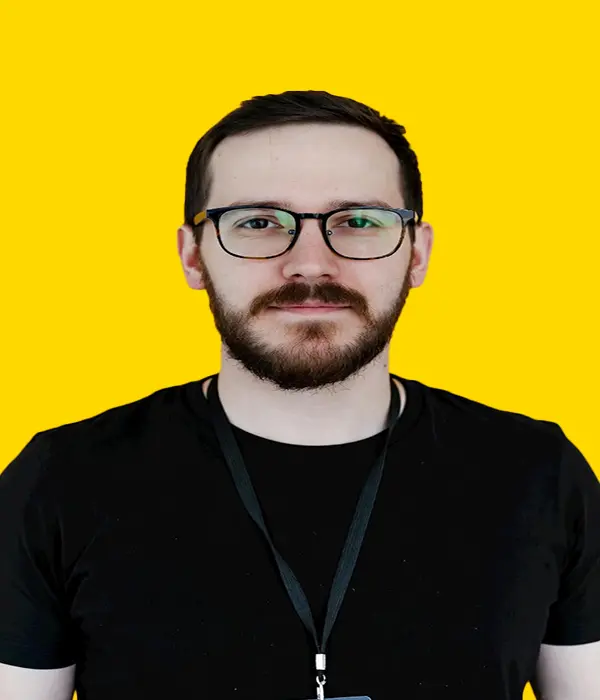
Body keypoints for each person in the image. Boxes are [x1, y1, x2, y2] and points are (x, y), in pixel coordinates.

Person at [0, 90, 598, 700]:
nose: (310, 264)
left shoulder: (539, 473)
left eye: (358, 222)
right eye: (258, 222)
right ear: (192, 256)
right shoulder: (60, 480)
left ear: (417, 254)